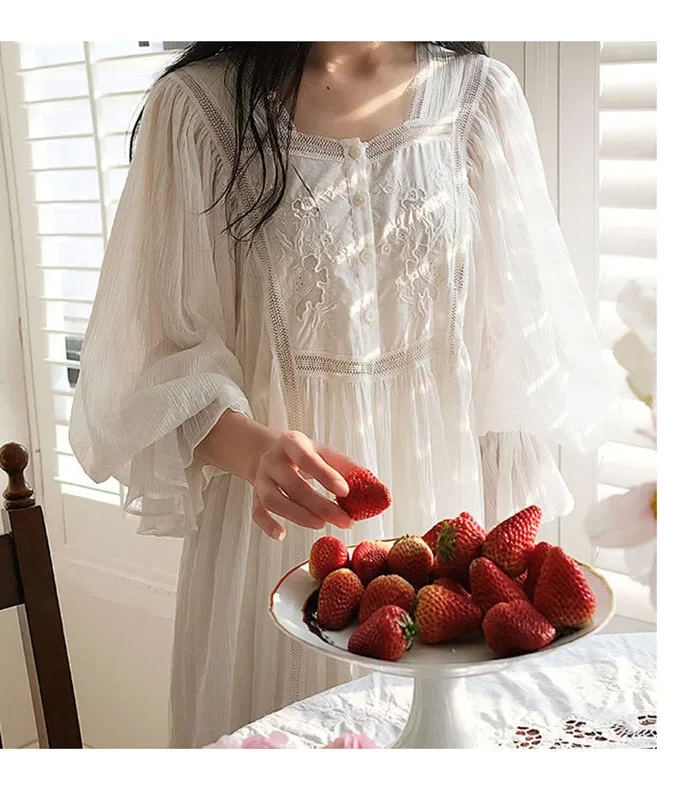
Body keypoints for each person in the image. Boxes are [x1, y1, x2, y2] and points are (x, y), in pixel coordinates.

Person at [68, 41, 617, 748]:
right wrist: (254, 451)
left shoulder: (479, 99)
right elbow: (150, 360)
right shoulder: (198, 110)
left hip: (446, 537)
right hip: (274, 547)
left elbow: (514, 363)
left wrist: (504, 576)